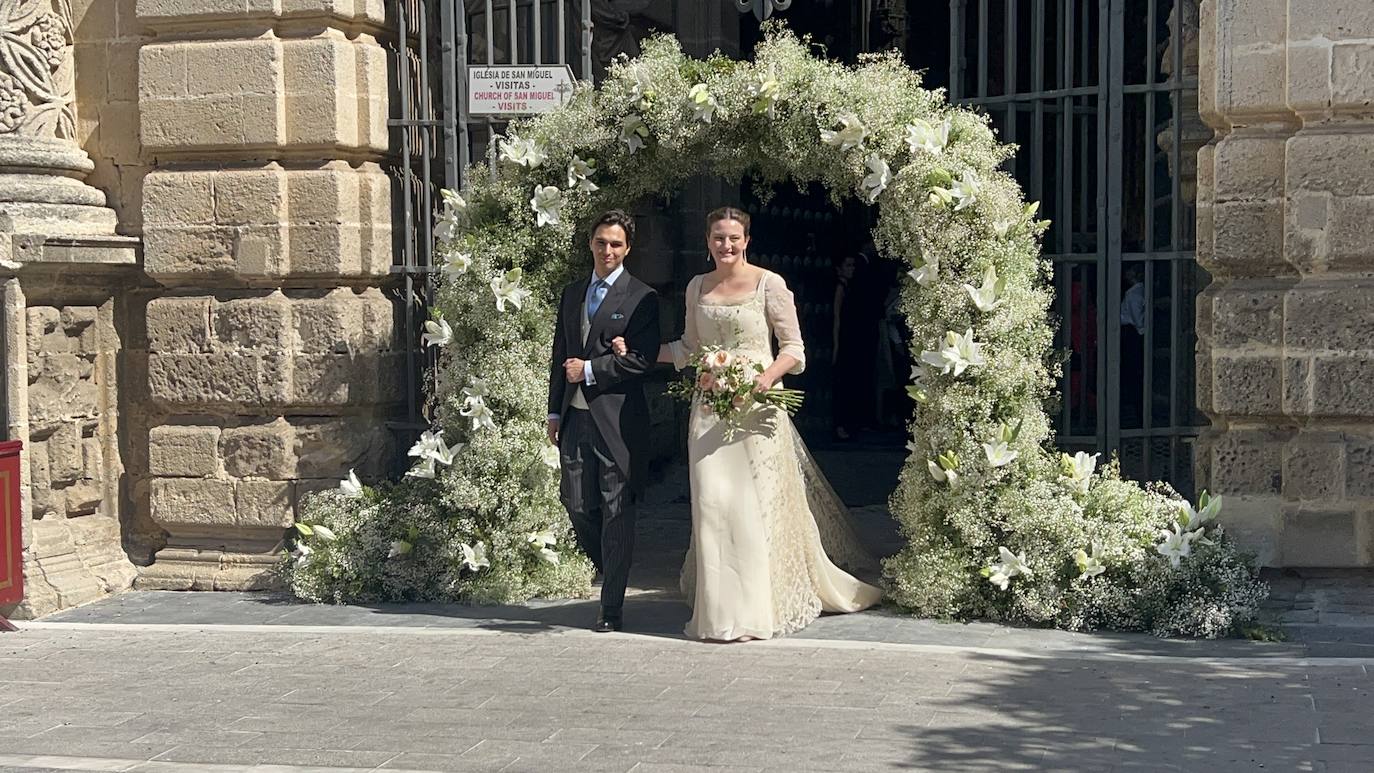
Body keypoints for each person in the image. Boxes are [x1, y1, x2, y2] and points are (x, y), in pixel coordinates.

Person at [613, 207, 880, 642]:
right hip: (708, 411)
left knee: (752, 508)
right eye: (718, 238)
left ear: (747, 240)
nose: (726, 245)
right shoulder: (698, 286)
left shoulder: (769, 284)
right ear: (707, 241)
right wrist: (637, 352)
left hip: (757, 410)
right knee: (713, 505)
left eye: (734, 238)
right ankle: (717, 615)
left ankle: (755, 610)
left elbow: (794, 348)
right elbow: (688, 348)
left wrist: (765, 378)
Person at [547, 210, 660, 633]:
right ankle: (613, 561)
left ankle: (610, 607)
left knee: (616, 511)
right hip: (575, 418)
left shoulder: (641, 297)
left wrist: (592, 370)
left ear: (627, 248)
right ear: (590, 244)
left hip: (617, 422)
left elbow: (642, 360)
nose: (607, 250)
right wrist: (554, 410)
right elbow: (560, 356)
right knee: (576, 505)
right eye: (600, 242)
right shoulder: (572, 292)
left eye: (616, 244)